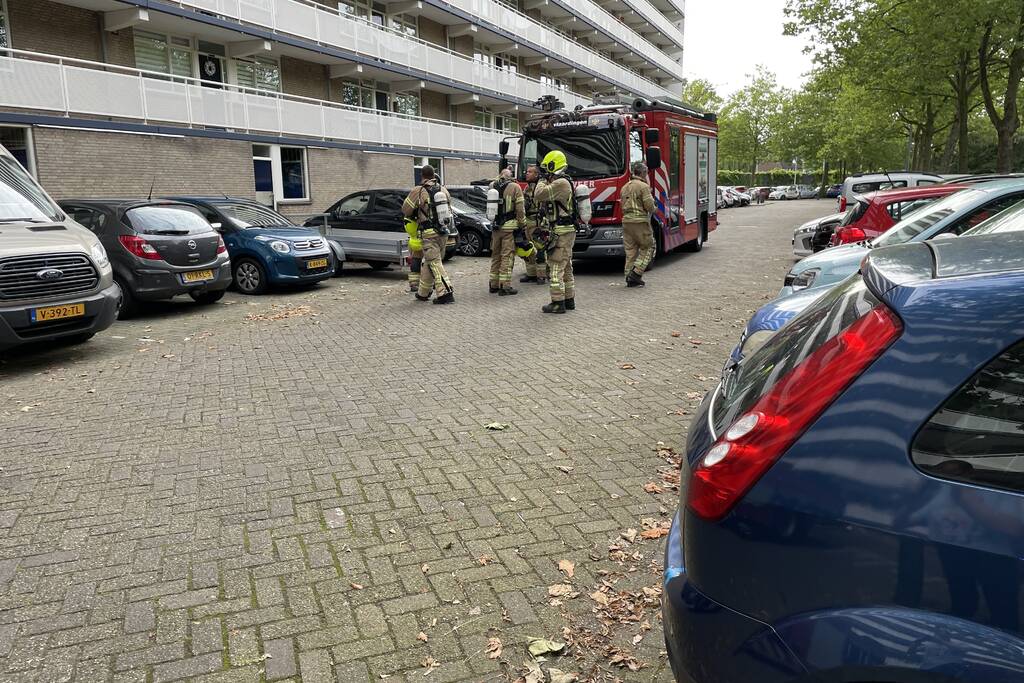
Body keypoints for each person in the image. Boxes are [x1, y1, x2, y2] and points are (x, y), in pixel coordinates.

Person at [402, 166, 455, 304]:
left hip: (429, 233)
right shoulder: (444, 190)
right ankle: (423, 293)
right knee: (430, 262)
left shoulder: (418, 190)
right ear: (434, 175)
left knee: (434, 263)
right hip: (443, 232)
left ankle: (446, 292)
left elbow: (406, 210)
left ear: (422, 175)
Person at [535, 150, 576, 314]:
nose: (546, 172)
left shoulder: (561, 184)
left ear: (553, 165)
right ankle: (569, 299)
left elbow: (539, 194)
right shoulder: (563, 182)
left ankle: (557, 302)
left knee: (555, 267)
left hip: (562, 232)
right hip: (564, 230)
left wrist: (542, 179)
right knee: (566, 268)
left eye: (547, 168)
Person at [487, 168, 526, 296]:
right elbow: (520, 209)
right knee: (507, 257)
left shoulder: (492, 186)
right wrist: (522, 224)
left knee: (496, 255)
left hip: (496, 227)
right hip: (509, 227)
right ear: (511, 176)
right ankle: (505, 286)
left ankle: (493, 284)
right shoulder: (515, 187)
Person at [620, 161, 656, 288]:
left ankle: (628, 277)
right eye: (646, 173)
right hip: (639, 222)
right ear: (643, 173)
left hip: (626, 222)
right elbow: (649, 205)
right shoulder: (643, 186)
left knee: (630, 251)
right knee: (648, 247)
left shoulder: (624, 187)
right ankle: (636, 273)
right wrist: (655, 209)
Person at [519, 164, 546, 285]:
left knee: (540, 249)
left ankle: (541, 276)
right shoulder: (527, 188)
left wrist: (542, 225)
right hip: (528, 222)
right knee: (528, 249)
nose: (527, 173)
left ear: (536, 174)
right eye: (527, 171)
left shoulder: (541, 187)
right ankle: (531, 274)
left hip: (538, 222)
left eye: (530, 172)